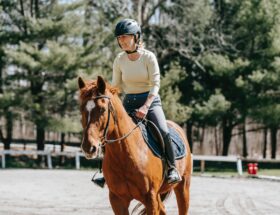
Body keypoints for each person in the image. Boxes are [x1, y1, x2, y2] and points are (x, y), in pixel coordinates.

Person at [93, 18, 181, 188]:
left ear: (136, 37)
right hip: (128, 102)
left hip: (150, 101)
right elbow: (116, 87)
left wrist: (146, 106)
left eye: (126, 37)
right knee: (110, 132)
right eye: (119, 38)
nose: (122, 41)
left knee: (163, 130)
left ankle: (172, 168)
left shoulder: (149, 57)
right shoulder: (119, 60)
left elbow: (156, 84)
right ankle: (104, 172)